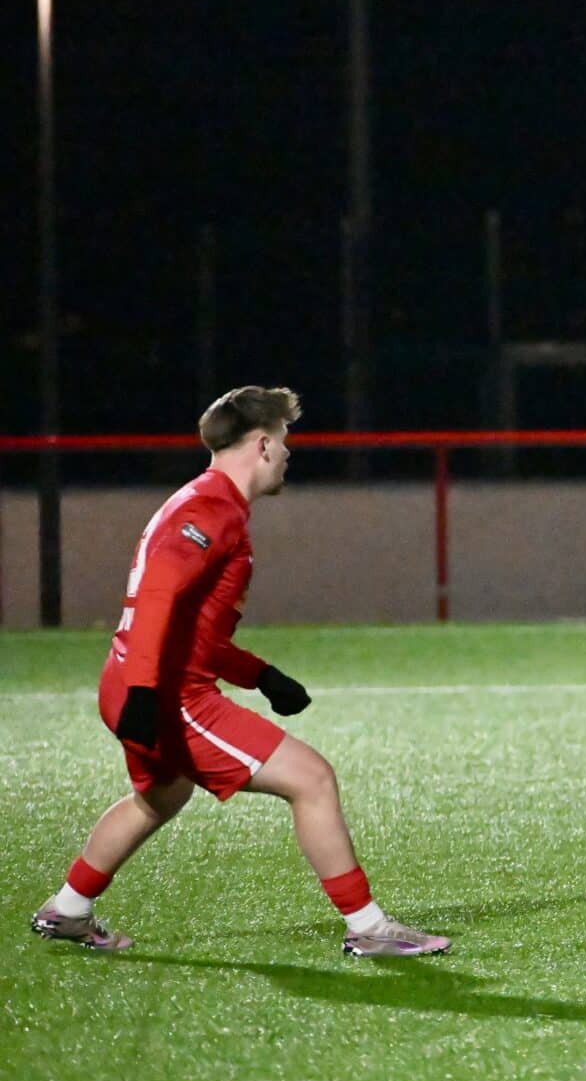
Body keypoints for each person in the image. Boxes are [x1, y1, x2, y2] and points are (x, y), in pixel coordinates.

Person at [29, 387, 450, 957]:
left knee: (160, 797)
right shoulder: (209, 510)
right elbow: (157, 597)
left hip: (135, 676)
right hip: (164, 690)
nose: (287, 454)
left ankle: (68, 909)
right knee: (313, 780)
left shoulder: (207, 503)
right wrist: (150, 693)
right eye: (283, 442)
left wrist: (260, 675)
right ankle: (369, 928)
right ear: (261, 445)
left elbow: (195, 632)